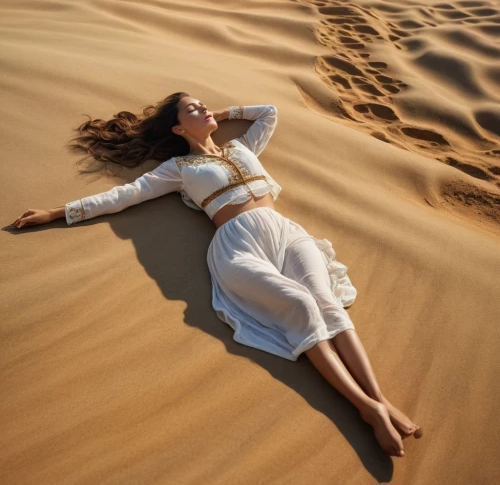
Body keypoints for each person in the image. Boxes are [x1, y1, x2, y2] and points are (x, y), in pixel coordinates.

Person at [11, 92, 421, 457]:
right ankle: (366, 409)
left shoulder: (242, 146)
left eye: (204, 104)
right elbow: (124, 196)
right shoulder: (178, 168)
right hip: (237, 246)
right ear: (176, 127)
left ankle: (381, 398)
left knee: (326, 300)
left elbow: (269, 113)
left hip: (286, 233)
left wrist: (222, 113)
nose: (204, 108)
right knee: (300, 306)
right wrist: (59, 212)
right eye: (193, 108)